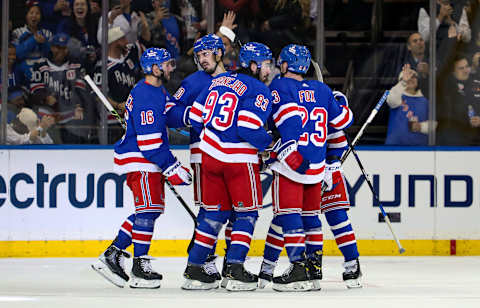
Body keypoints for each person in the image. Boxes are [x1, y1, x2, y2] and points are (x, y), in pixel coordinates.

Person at [91, 47, 192, 289]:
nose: (170, 68)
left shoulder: (156, 91)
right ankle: (139, 266)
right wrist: (172, 166)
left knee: (150, 210)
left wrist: (195, 116)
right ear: (155, 68)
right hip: (142, 159)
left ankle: (114, 254)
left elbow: (170, 114)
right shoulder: (146, 94)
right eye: (167, 64)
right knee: (147, 210)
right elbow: (149, 143)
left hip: (148, 160)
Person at [258, 44, 353, 292]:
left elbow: (278, 121)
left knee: (288, 214)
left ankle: (297, 267)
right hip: (317, 164)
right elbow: (343, 120)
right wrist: (340, 101)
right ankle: (313, 269)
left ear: (286, 64)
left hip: (292, 162)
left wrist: (284, 149)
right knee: (311, 217)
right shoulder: (322, 89)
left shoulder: (279, 86)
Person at [182, 42, 274, 291]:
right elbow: (246, 127)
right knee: (247, 215)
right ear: (253, 65)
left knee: (213, 215)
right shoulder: (258, 89)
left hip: (209, 157)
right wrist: (270, 144)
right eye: (266, 64)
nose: (268, 70)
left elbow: (195, 119)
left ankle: (194, 268)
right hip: (238, 162)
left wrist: (215, 141)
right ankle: (234, 269)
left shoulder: (218, 82)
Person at [168, 33, 231, 280]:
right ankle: (202, 258)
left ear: (218, 53)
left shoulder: (236, 81)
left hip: (234, 155)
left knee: (234, 211)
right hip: (204, 153)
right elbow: (171, 111)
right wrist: (193, 115)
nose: (202, 60)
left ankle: (230, 261)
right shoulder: (194, 81)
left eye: (205, 54)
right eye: (199, 56)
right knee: (211, 209)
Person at [25, 32, 92, 144]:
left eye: (63, 48)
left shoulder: (76, 66)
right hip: (47, 117)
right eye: (57, 47)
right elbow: (35, 92)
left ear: (68, 49)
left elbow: (81, 91)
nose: (60, 51)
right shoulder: (40, 66)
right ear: (52, 47)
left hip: (70, 116)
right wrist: (45, 98)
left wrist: (79, 105)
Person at [92, 27, 143, 144]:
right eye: (123, 39)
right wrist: (118, 105)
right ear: (115, 42)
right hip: (111, 123)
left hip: (131, 121)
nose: (126, 42)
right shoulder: (102, 67)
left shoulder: (127, 63)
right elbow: (98, 95)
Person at [438, 55, 480, 145]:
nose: (465, 70)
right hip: (456, 140)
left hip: (477, 139)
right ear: (453, 72)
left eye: (467, 67)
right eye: (461, 68)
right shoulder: (446, 88)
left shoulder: (478, 84)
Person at [386, 64, 432, 146]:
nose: (410, 79)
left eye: (414, 77)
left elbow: (437, 124)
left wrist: (422, 127)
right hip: (394, 148)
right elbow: (391, 100)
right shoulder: (397, 96)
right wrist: (403, 82)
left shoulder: (425, 100)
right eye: (407, 77)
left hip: (421, 149)